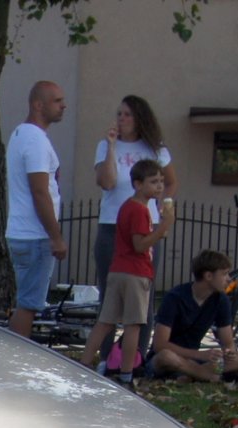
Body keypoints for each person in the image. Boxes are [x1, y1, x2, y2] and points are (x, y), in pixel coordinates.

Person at [79, 159, 174, 385]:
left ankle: (82, 365)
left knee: (106, 321)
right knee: (133, 325)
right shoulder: (139, 210)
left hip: (117, 270)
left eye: (161, 181)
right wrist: (162, 228)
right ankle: (126, 374)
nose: (159, 186)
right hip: (135, 273)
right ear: (138, 184)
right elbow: (139, 245)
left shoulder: (126, 207)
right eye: (153, 182)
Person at [94, 95, 177, 302]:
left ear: (139, 118)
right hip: (112, 224)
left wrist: (163, 205)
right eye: (119, 114)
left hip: (145, 225)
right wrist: (112, 147)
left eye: (127, 114)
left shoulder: (155, 149)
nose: (121, 118)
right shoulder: (104, 146)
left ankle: (138, 334)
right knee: (109, 294)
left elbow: (171, 182)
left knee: (142, 294)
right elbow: (107, 182)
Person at [5, 81, 68, 338]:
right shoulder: (35, 140)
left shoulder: (20, 134)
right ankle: (16, 362)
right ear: (38, 105)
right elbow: (40, 191)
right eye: (57, 101)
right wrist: (55, 236)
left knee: (24, 301)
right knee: (29, 306)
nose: (63, 106)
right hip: (35, 236)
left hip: (21, 232)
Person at [145, 249, 238, 383]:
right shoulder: (174, 298)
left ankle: (193, 373)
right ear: (208, 276)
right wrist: (201, 355)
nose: (229, 279)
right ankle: (202, 374)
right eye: (224, 274)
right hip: (172, 357)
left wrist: (229, 352)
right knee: (166, 356)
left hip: (196, 361)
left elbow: (228, 342)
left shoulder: (221, 300)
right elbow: (160, 345)